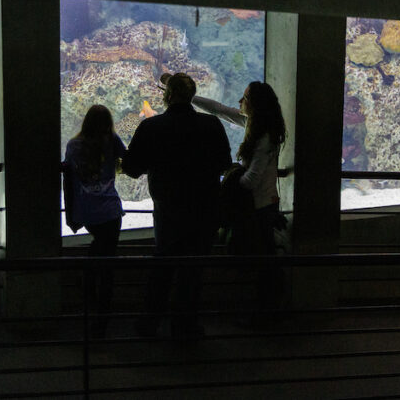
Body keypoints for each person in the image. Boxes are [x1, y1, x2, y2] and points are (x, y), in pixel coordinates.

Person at [122, 72, 232, 340]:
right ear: (192, 95)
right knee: (193, 270)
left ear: (167, 95)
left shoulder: (152, 127)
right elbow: (223, 164)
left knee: (163, 265)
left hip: (168, 210)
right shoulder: (212, 125)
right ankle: (185, 326)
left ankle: (149, 324)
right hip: (204, 209)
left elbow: (133, 168)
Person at [191, 78, 287, 321]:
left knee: (261, 261)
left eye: (245, 98)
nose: (240, 101)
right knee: (261, 260)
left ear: (254, 104)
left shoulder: (264, 136)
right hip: (259, 206)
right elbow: (219, 110)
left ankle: (266, 313)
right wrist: (190, 98)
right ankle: (264, 312)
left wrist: (232, 176)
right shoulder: (254, 125)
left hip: (259, 209)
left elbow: (252, 179)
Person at [63, 104, 126, 337]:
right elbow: (128, 161)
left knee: (99, 253)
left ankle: (89, 292)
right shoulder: (112, 140)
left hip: (88, 213)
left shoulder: (73, 145)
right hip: (110, 211)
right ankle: (102, 316)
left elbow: (68, 176)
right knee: (107, 264)